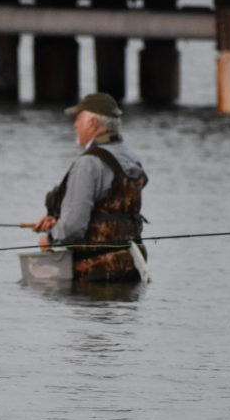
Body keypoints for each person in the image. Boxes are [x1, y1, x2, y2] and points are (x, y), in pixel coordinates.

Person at [31, 92, 148, 282]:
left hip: (93, 273)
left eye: (78, 119)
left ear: (93, 123)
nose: (75, 125)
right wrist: (57, 221)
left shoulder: (89, 163)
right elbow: (110, 211)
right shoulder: (131, 158)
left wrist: (49, 239)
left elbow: (74, 226)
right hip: (130, 268)